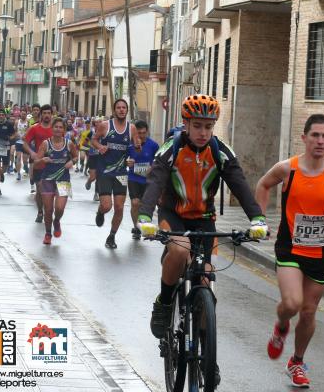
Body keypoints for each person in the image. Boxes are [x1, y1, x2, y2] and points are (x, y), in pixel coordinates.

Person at [136, 94, 268, 341]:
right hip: (173, 215)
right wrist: (144, 216)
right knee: (180, 249)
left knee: (206, 283)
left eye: (208, 126)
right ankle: (164, 303)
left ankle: (207, 361)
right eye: (197, 125)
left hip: (204, 219)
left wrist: (257, 219)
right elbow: (155, 181)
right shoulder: (172, 148)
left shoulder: (220, 151)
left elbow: (239, 184)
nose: (203, 132)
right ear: (185, 124)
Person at [255, 113, 324, 388]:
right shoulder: (288, 169)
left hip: (320, 252)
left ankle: (297, 361)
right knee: (292, 304)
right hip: (290, 248)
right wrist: (260, 219)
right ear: (305, 138)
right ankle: (281, 325)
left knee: (309, 312)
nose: (320, 141)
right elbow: (263, 185)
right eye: (315, 135)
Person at [91, 99, 141, 249]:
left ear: (127, 110)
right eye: (118, 107)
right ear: (114, 110)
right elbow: (93, 139)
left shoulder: (131, 128)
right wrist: (100, 146)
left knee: (119, 207)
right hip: (105, 171)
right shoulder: (105, 125)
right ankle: (100, 211)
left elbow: (136, 148)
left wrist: (134, 155)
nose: (121, 110)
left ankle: (112, 236)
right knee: (107, 206)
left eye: (124, 107)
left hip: (121, 173)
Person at [36, 117, 78, 245]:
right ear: (52, 128)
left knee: (59, 208)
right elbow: (36, 161)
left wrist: (72, 161)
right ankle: (48, 233)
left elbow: (76, 156)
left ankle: (57, 221)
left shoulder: (69, 143)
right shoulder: (45, 144)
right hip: (48, 179)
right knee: (48, 210)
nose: (58, 129)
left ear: (64, 130)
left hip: (63, 180)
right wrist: (43, 160)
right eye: (56, 127)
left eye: (61, 127)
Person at [126, 120, 159, 239]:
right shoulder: (130, 145)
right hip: (133, 178)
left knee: (142, 205)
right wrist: (127, 162)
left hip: (147, 180)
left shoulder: (154, 145)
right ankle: (136, 228)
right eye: (139, 133)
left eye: (144, 133)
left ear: (147, 132)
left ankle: (140, 224)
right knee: (135, 203)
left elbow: (158, 161)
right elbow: (124, 159)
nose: (141, 135)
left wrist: (152, 167)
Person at [24, 104, 53, 222]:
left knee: (51, 191)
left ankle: (49, 210)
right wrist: (32, 153)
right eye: (44, 113)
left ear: (52, 115)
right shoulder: (34, 128)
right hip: (39, 164)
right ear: (41, 115)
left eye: (48, 113)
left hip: (53, 165)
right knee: (40, 190)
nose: (46, 115)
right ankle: (40, 211)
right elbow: (25, 142)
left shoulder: (57, 128)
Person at [0, 109, 17, 196]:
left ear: (5, 116)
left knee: (5, 168)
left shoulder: (8, 124)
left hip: (6, 147)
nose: (1, 116)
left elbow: (14, 134)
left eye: (3, 115)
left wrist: (11, 138)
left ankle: (2, 173)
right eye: (0, 114)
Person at [14, 109, 29, 181]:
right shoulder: (17, 122)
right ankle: (18, 173)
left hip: (25, 142)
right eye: (22, 114)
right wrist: (16, 133)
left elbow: (29, 130)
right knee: (18, 158)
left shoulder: (28, 122)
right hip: (18, 142)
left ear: (26, 114)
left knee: (25, 159)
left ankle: (26, 167)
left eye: (24, 114)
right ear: (20, 114)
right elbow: (15, 130)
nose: (23, 115)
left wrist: (25, 136)